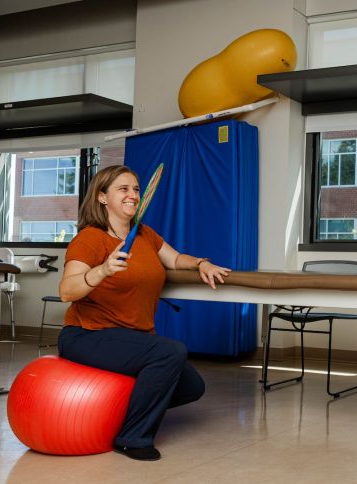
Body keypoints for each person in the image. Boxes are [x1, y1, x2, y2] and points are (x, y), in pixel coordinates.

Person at [58, 165, 230, 461]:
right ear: (102, 197)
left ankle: (115, 411)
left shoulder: (145, 235)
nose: (133, 195)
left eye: (136, 189)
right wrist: (102, 270)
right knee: (169, 351)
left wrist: (202, 263)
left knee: (192, 386)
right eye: (123, 189)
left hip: (131, 337)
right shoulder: (90, 238)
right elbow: (67, 291)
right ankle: (132, 438)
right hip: (88, 335)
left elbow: (175, 259)